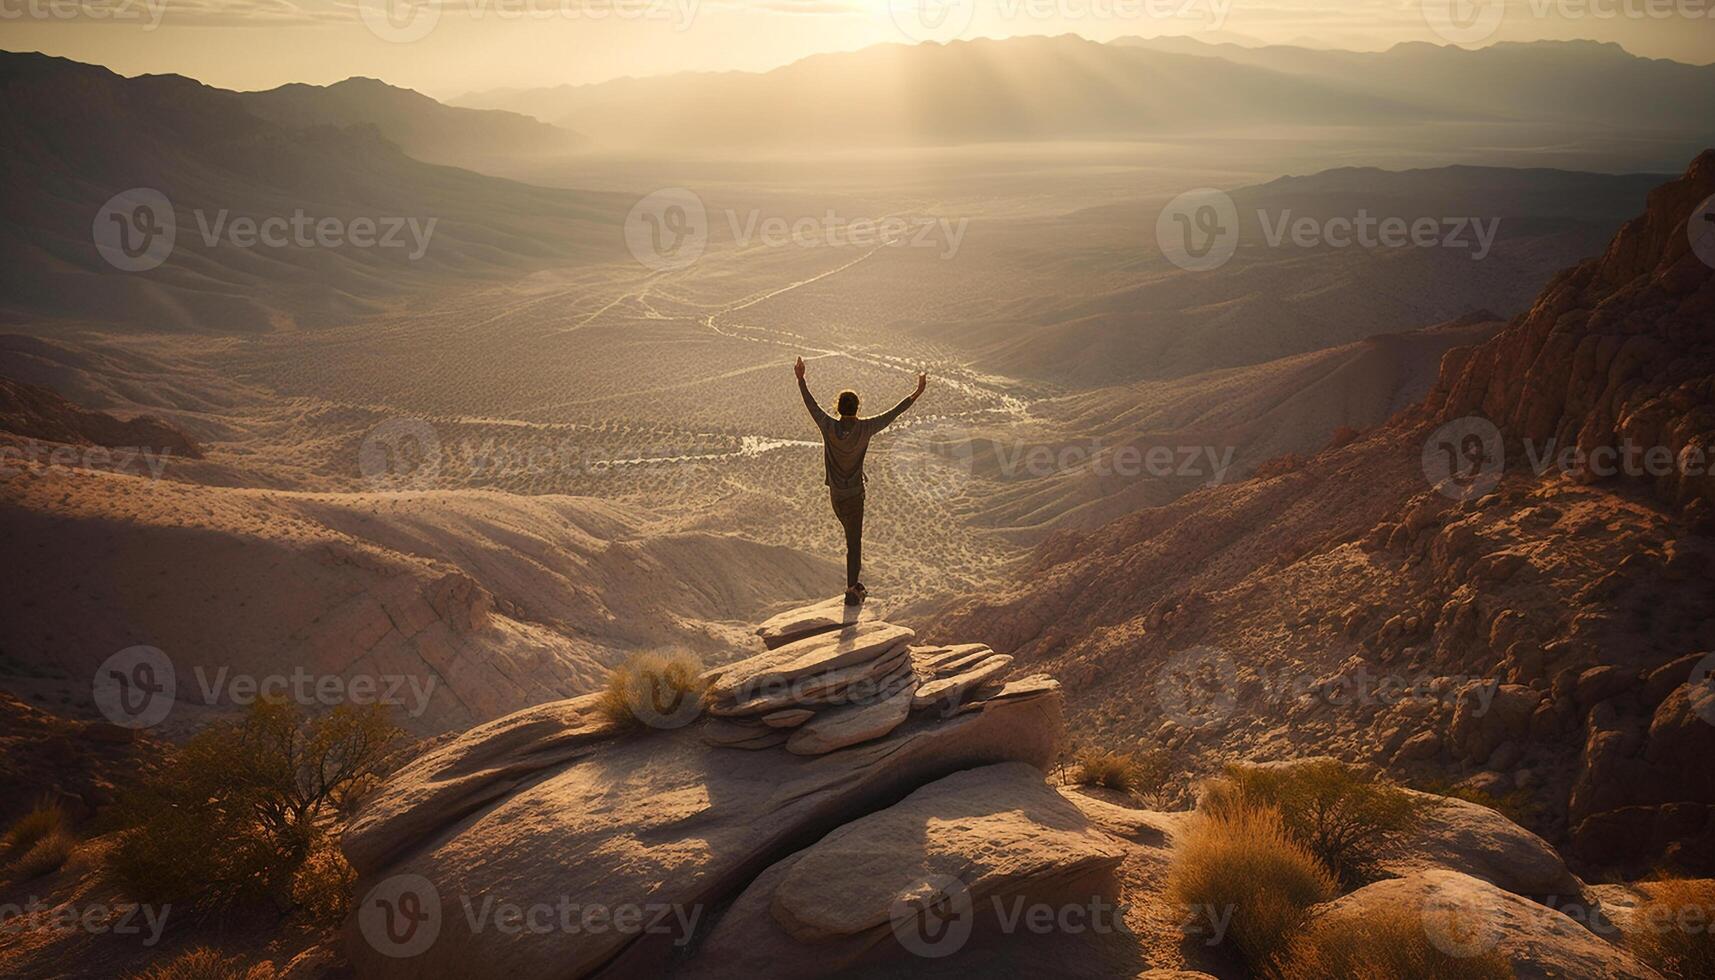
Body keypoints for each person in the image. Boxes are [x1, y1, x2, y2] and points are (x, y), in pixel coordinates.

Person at [795, 356, 926, 605]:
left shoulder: (828, 426)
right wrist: (917, 391)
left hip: (836, 496)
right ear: (857, 408)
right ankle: (852, 590)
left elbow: (811, 405)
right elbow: (895, 412)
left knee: (850, 537)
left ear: (838, 408)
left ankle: (853, 587)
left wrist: (801, 379)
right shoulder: (866, 428)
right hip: (855, 495)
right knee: (853, 543)